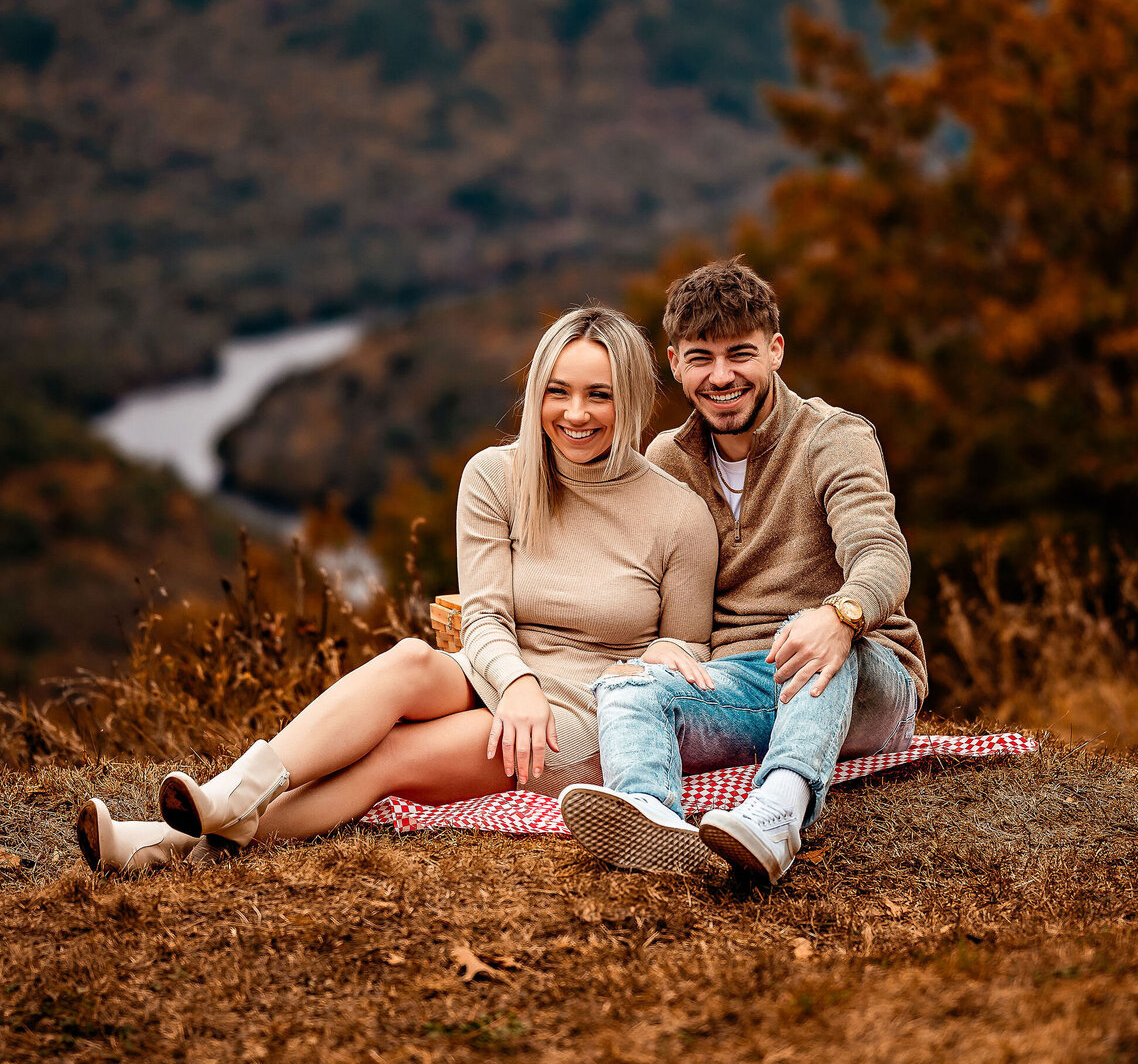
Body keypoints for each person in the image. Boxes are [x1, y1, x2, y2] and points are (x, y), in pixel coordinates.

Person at [75, 306, 718, 874]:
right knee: (411, 657)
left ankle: (160, 844)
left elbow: (682, 667)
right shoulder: (498, 475)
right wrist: (517, 683)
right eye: (558, 392)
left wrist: (659, 656)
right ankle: (236, 793)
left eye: (598, 396)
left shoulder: (679, 519)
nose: (575, 415)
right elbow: (487, 615)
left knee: (390, 757)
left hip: (579, 715)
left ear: (632, 399)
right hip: (499, 671)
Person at [560, 258, 927, 885]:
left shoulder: (832, 437)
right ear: (675, 363)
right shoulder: (667, 460)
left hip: (863, 673)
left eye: (741, 354)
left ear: (776, 351)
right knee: (626, 688)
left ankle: (777, 816)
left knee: (818, 657)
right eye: (701, 357)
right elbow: (648, 584)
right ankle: (653, 819)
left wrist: (840, 615)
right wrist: (665, 649)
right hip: (741, 683)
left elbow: (882, 552)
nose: (722, 376)